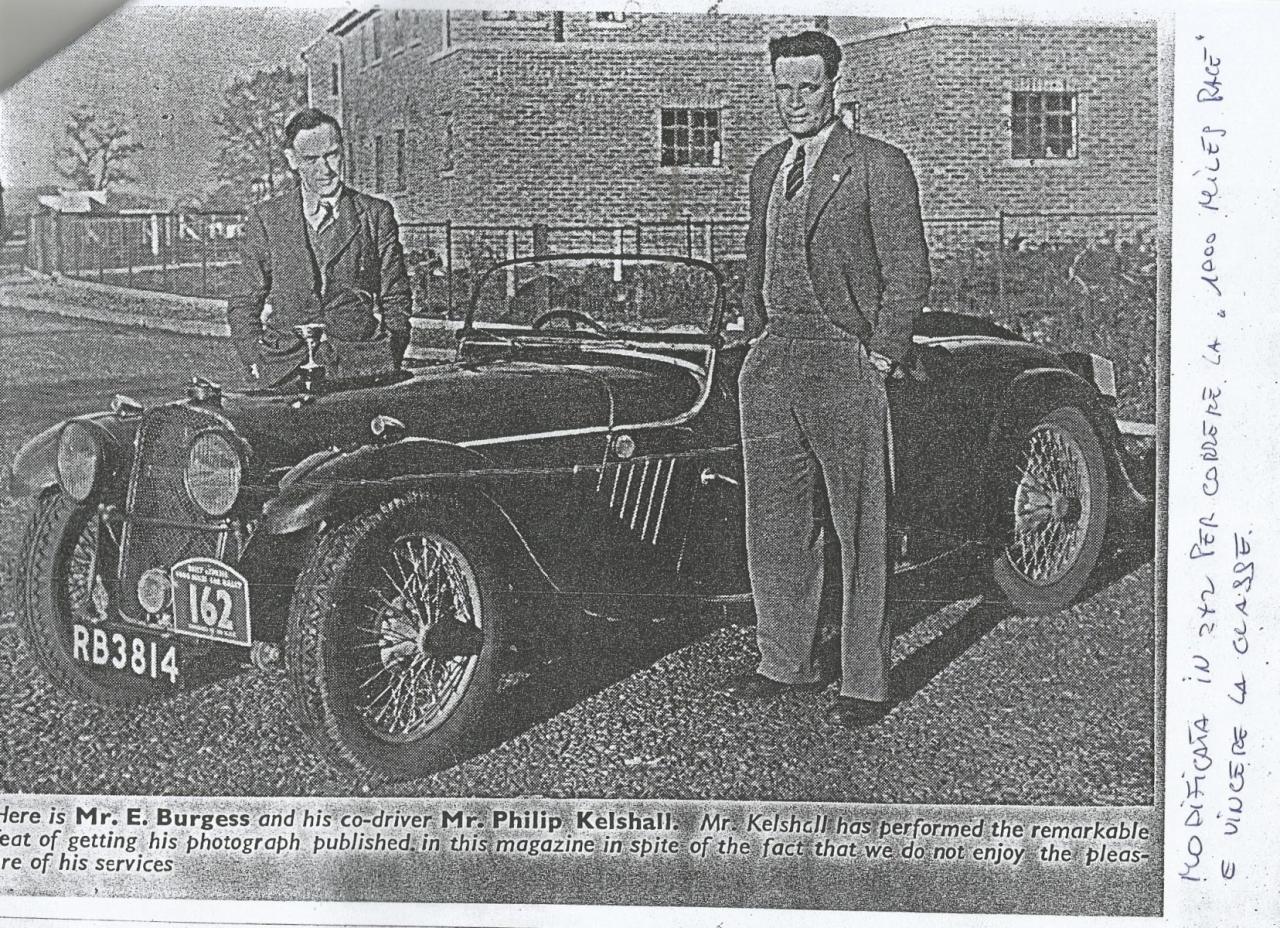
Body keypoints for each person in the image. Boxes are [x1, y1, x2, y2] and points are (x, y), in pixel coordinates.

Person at [724, 31, 931, 727]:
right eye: (783, 88)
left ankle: (864, 682)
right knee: (775, 525)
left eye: (807, 87)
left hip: (845, 358)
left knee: (861, 524)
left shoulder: (877, 164)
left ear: (835, 85)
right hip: (776, 357)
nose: (794, 102)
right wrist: (753, 335)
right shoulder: (765, 169)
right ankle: (784, 661)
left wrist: (879, 353)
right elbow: (756, 255)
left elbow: (907, 269)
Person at [227, 108, 412, 386]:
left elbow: (396, 297)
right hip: (284, 370)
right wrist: (256, 361)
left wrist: (387, 354)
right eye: (311, 159)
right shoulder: (267, 218)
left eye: (332, 155)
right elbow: (244, 302)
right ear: (292, 160)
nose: (325, 170)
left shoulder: (375, 215)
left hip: (362, 369)